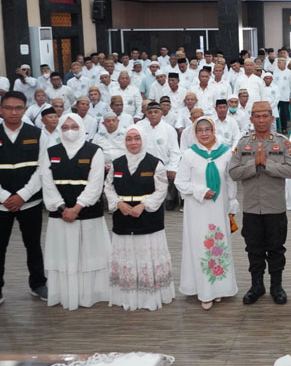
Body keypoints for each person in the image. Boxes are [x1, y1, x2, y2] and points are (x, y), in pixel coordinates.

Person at [228, 101, 291, 306]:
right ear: (251, 119)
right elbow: (233, 173)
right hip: (251, 208)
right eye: (256, 116)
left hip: (275, 207)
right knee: (253, 249)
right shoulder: (243, 143)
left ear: (271, 118)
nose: (260, 120)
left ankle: (277, 286)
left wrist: (267, 163)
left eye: (265, 116)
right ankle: (256, 286)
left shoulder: (282, 142)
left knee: (276, 249)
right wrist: (253, 164)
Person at [40, 113, 110, 310]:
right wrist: (62, 208)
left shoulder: (94, 151)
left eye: (74, 126)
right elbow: (47, 183)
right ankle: (64, 293)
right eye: (65, 127)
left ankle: (90, 294)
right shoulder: (50, 152)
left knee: (88, 255)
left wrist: (77, 207)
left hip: (87, 214)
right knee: (64, 255)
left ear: (81, 128)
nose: (70, 131)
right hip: (60, 216)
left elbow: (95, 185)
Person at [104, 126, 174, 311]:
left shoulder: (155, 163)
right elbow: (108, 187)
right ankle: (127, 295)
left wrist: (144, 205)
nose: (133, 143)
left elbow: (161, 189)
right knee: (127, 255)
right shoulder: (116, 164)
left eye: (137, 138)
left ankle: (149, 297)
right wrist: (119, 204)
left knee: (146, 254)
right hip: (123, 218)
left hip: (148, 219)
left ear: (143, 140)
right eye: (129, 139)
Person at [174, 117, 239, 310]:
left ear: (213, 131)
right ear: (195, 133)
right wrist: (200, 191)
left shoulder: (225, 153)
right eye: (200, 130)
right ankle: (204, 291)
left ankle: (218, 289)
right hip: (197, 209)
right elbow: (180, 182)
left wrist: (232, 202)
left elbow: (230, 180)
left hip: (218, 208)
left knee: (219, 246)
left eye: (207, 129)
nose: (204, 133)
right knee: (200, 247)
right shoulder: (189, 155)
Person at [0, 91, 47, 304]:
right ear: (1, 110)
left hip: (30, 201)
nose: (13, 112)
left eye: (18, 108)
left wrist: (22, 195)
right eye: (8, 108)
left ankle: (38, 284)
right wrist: (5, 197)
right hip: (1, 204)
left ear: (25, 110)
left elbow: (42, 169)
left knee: (33, 244)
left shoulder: (37, 133)